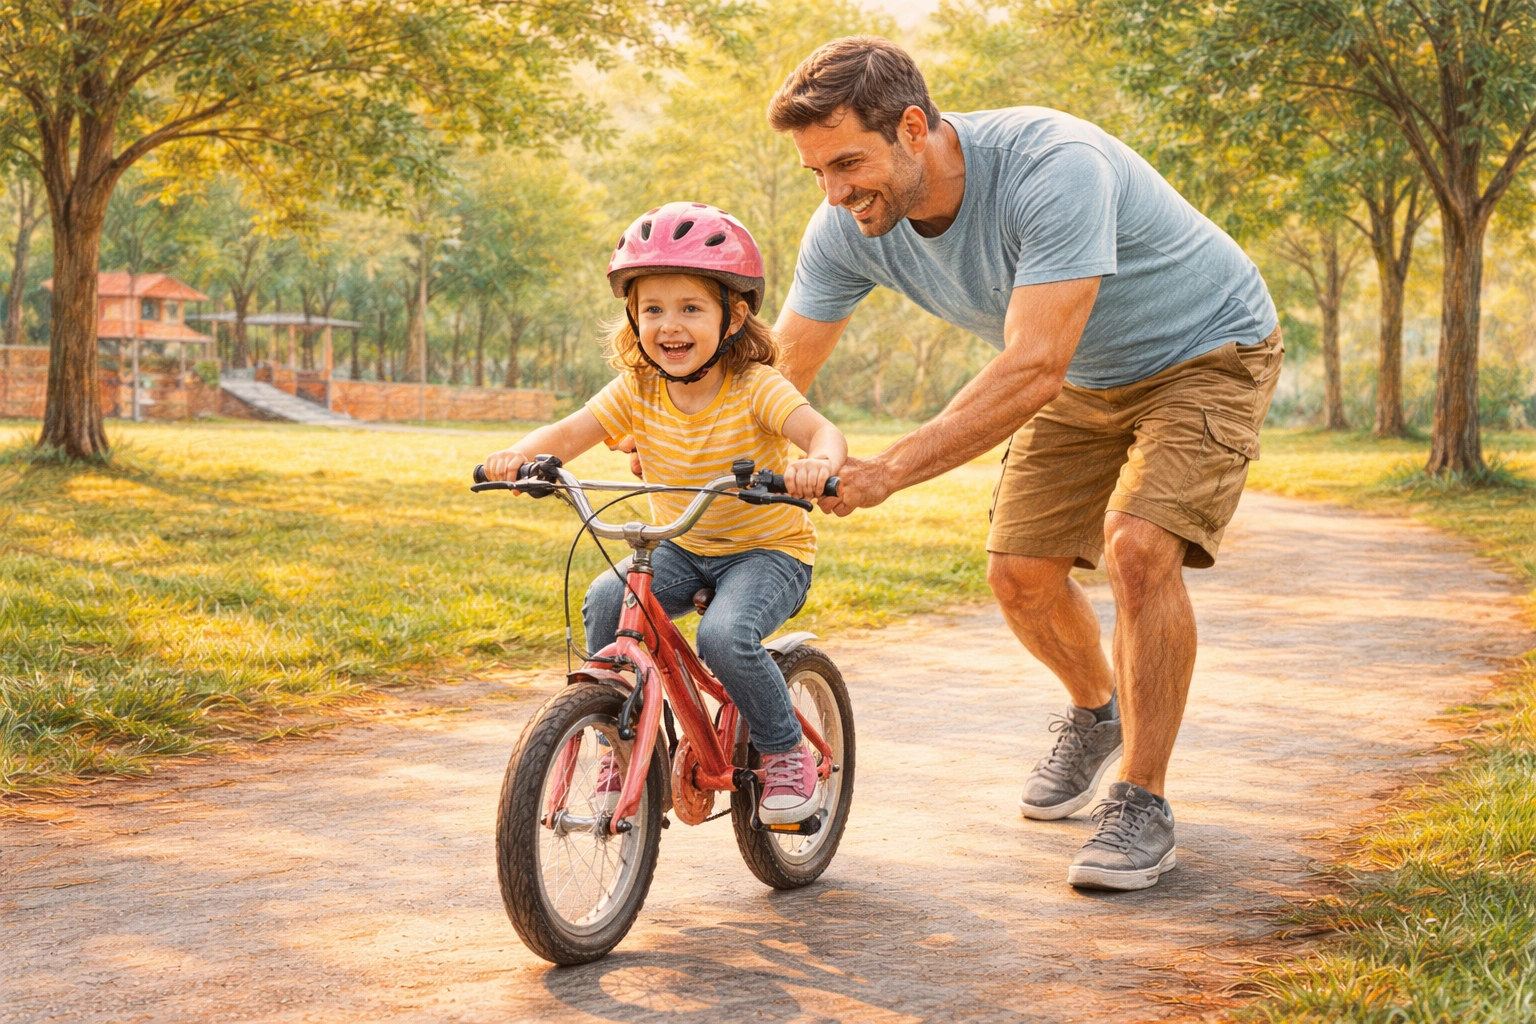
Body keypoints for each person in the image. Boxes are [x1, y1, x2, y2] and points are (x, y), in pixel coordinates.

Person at [766, 37, 1284, 889]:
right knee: (1019, 574)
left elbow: (1034, 363)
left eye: (848, 162)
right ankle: (1095, 710)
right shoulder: (847, 228)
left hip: (1207, 349)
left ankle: (1143, 802)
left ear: (913, 127)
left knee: (1138, 549)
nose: (834, 191)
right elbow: (782, 365)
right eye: (816, 171)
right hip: (1086, 371)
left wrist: (889, 468)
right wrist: (680, 426)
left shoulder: (1053, 164)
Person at [481, 202, 848, 825]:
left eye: (690, 308)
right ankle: (619, 740)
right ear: (633, 318)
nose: (668, 325)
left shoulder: (756, 385)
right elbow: (570, 432)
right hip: (679, 544)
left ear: (733, 317)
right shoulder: (637, 389)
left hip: (767, 552)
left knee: (724, 636)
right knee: (606, 600)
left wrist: (817, 463)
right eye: (652, 309)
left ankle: (785, 752)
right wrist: (519, 457)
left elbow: (822, 432)